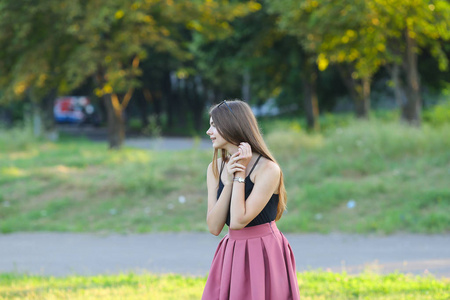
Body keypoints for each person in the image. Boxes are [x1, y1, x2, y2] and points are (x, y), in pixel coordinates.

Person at [202, 100, 300, 300]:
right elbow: (214, 227)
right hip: (232, 251)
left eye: (214, 125)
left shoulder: (268, 169)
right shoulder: (215, 168)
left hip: (264, 251)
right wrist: (228, 181)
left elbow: (238, 220)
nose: (208, 131)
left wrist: (239, 174)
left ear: (232, 125)